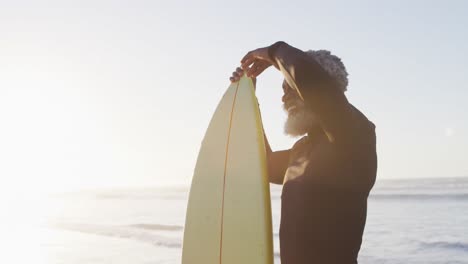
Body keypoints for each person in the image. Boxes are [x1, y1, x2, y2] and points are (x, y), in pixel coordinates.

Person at [230, 41, 377, 264]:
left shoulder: (354, 137)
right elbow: (263, 164)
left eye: (291, 87)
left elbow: (307, 75)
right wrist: (249, 99)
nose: (283, 98)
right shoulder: (303, 150)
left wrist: (272, 53)